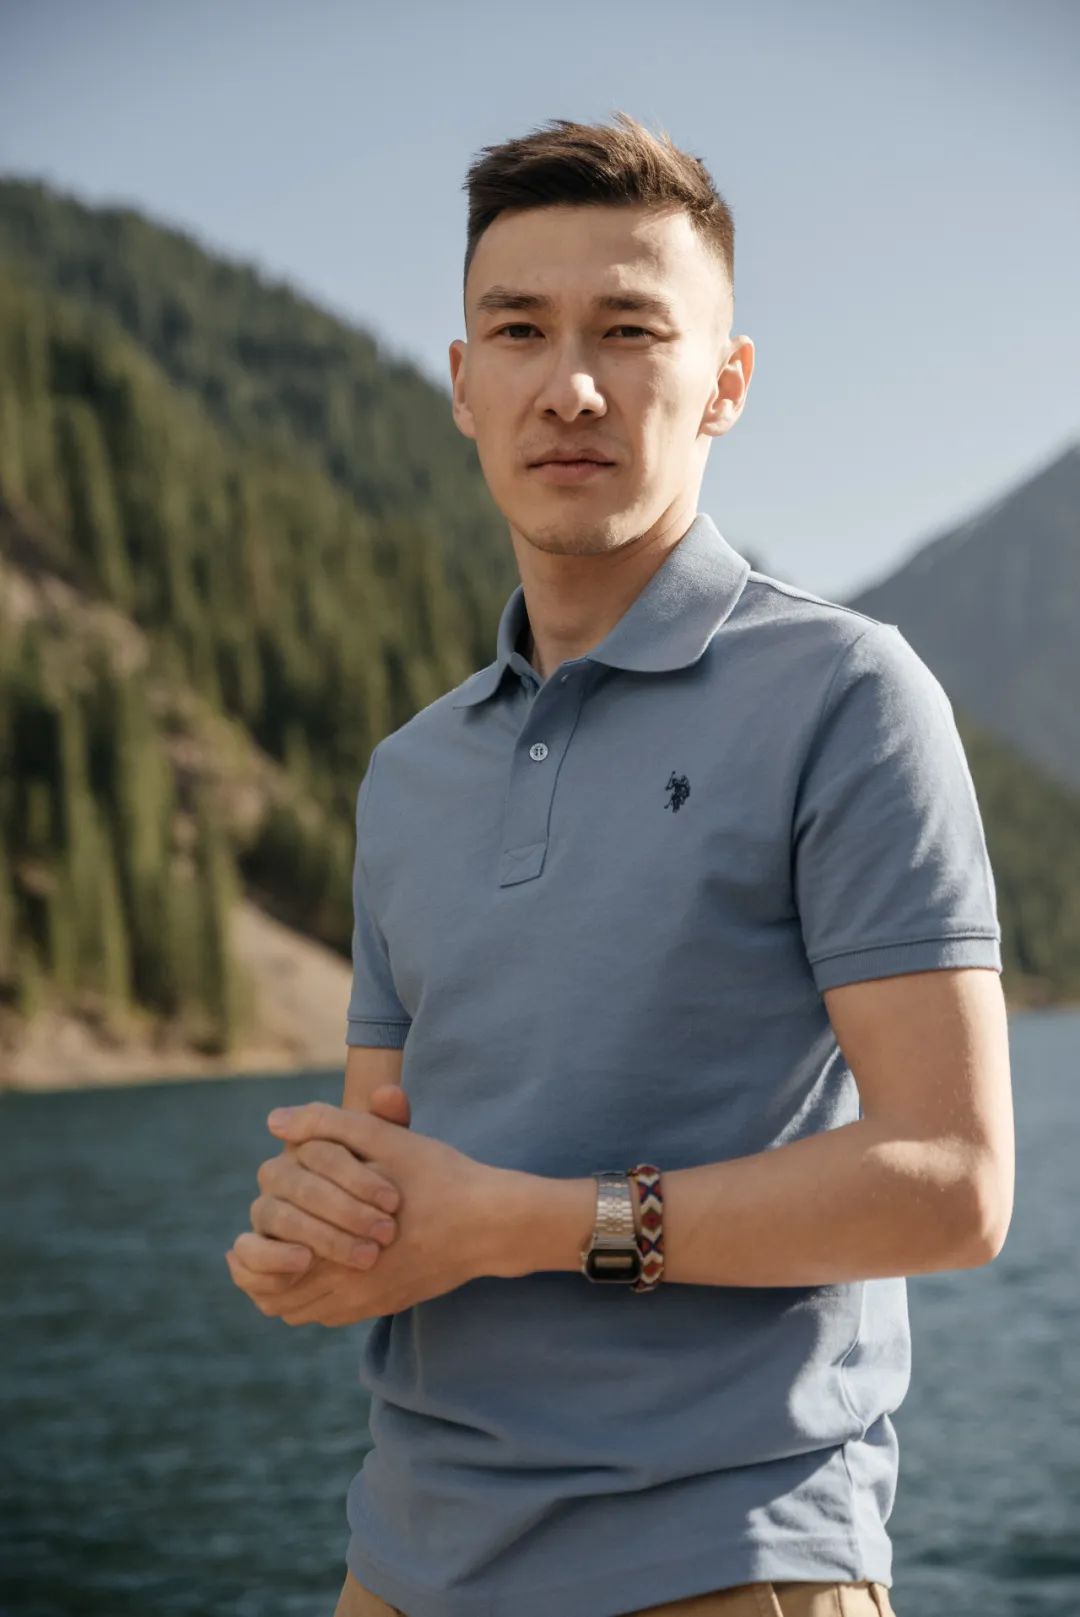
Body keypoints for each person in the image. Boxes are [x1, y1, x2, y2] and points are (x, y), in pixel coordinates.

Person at [225, 111, 1014, 1617]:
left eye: (631, 330)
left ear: (726, 382)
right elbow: (389, 1185)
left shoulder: (847, 694)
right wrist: (315, 1244)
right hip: (400, 1567)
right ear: (463, 383)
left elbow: (956, 1184)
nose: (569, 384)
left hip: (728, 1561)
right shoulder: (408, 775)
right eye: (519, 329)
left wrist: (523, 1222)